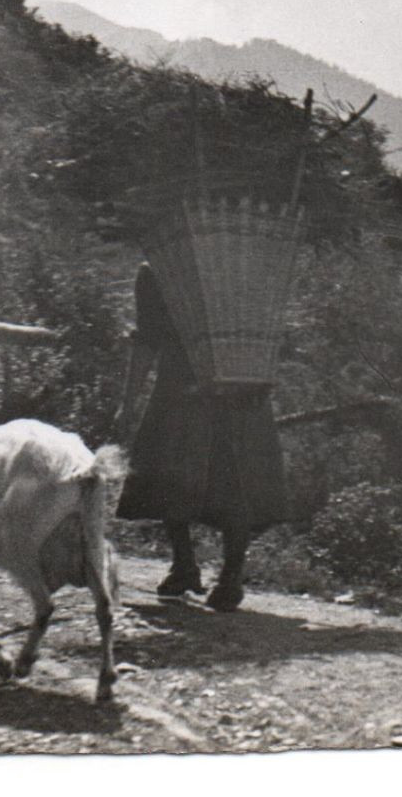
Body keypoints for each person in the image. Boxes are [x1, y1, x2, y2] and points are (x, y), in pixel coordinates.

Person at [116, 263, 289, 613]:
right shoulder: (246, 265)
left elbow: (147, 341)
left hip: (184, 388)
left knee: (175, 471)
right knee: (232, 478)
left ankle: (192, 567)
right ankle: (220, 574)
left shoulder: (160, 269)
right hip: (240, 387)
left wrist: (128, 402)